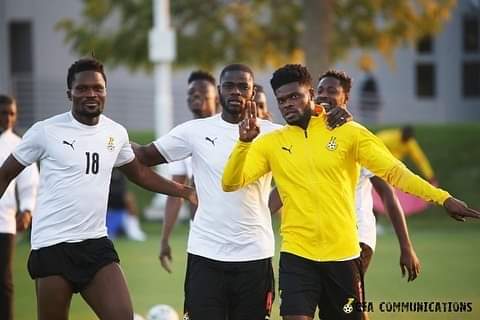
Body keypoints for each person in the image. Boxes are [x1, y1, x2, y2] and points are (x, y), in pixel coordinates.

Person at [222, 64, 480, 320]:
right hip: (297, 256)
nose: (287, 104)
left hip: (343, 255)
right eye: (282, 100)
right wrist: (244, 144)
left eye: (294, 96)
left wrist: (442, 198)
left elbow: (395, 172)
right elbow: (231, 183)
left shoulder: (349, 132)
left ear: (310, 94)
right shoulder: (271, 143)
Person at [134, 63, 351, 320]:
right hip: (206, 255)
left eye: (243, 86)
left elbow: (314, 150)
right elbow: (144, 156)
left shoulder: (276, 134)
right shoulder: (194, 131)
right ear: (219, 91)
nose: (236, 91)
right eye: (229, 85)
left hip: (255, 255)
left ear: (252, 92)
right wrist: (110, 140)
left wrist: (342, 119)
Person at [0, 58, 196, 320]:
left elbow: (139, 173)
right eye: (82, 88)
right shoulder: (45, 131)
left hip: (95, 245)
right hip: (52, 246)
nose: (91, 94)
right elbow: (5, 174)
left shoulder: (115, 133)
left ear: (105, 92)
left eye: (98, 88)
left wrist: (183, 191)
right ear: (70, 93)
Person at [315, 70, 420, 280]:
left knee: (348, 308)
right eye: (320, 90)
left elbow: (387, 194)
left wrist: (406, 246)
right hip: (321, 237)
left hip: (356, 238)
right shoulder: (312, 136)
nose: (324, 95)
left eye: (332, 90)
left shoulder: (360, 138)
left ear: (346, 98)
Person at [161, 70, 218, 273]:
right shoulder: (183, 136)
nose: (195, 96)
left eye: (202, 92)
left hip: (232, 229)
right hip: (199, 233)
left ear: (217, 98)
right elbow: (175, 192)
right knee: (201, 298)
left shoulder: (231, 130)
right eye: (191, 93)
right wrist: (165, 238)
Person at [0, 94, 39, 320]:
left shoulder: (18, 144)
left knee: (3, 280)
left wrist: (26, 209)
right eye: (3, 113)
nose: (8, 118)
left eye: (12, 113)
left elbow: (29, 181)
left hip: (4, 222)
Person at [106, 168, 146, 241]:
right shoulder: (104, 169)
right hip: (106, 205)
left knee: (129, 198)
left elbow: (124, 189)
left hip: (121, 208)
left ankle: (134, 228)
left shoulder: (122, 170)